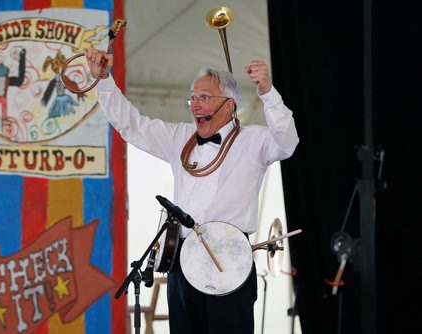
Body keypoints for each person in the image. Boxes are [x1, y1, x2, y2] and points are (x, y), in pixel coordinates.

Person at [85, 49, 299, 334]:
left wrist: (267, 92)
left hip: (230, 263)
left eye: (204, 98)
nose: (195, 105)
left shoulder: (254, 141)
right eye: (192, 97)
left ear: (229, 104)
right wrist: (103, 79)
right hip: (183, 263)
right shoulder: (179, 138)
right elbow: (131, 125)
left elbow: (287, 143)